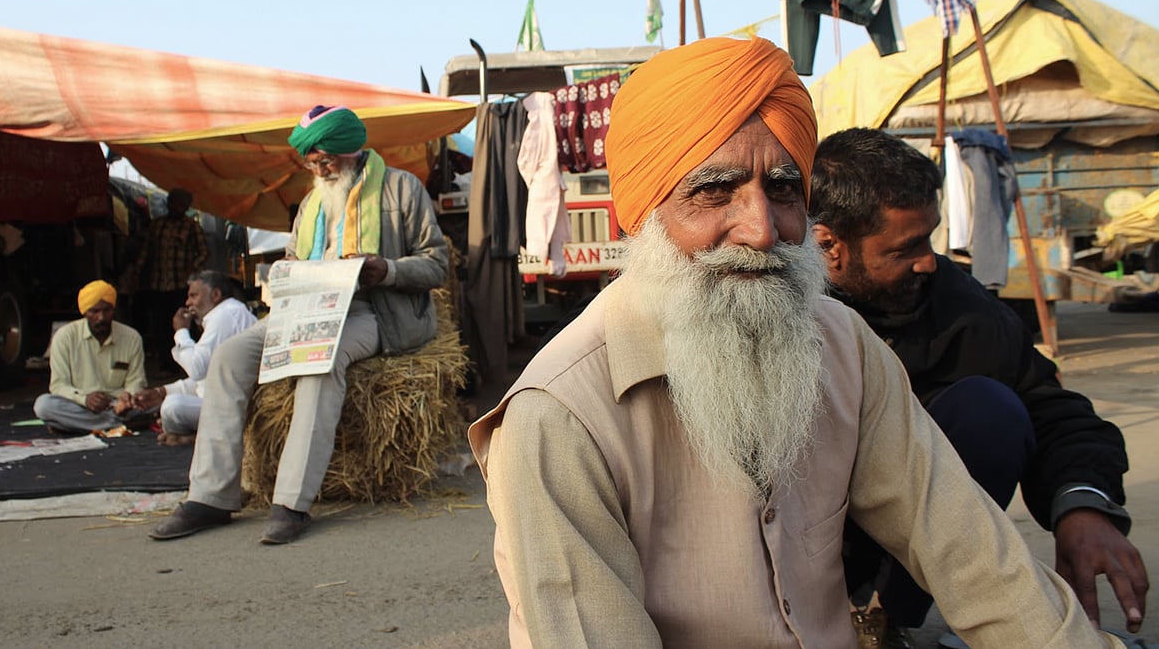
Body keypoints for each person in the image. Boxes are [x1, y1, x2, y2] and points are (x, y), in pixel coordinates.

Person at [467, 37, 1121, 647]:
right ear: (640, 214)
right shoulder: (558, 415)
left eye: (782, 188)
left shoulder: (843, 344)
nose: (760, 227)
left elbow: (972, 552)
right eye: (714, 191)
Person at [809, 127, 1148, 640]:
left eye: (931, 237)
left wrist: (1081, 502)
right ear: (829, 245)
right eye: (906, 247)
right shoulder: (787, 313)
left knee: (992, 411)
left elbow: (1051, 408)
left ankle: (881, 617)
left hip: (901, 539)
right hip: (808, 546)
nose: (928, 259)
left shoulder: (956, 303)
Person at [149, 105, 449, 545]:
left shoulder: (402, 189)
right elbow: (293, 258)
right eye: (311, 161)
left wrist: (384, 269)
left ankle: (291, 502)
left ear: (350, 152)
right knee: (229, 357)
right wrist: (287, 271)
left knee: (319, 363)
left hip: (370, 311)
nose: (317, 168)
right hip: (304, 309)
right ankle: (211, 497)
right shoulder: (311, 202)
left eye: (325, 160)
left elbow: (436, 264)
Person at [131, 270, 257, 446]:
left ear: (215, 295)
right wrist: (161, 392)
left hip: (238, 408)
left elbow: (197, 369)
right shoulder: (227, 313)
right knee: (169, 402)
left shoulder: (224, 316)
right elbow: (206, 381)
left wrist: (181, 331)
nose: (188, 303)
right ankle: (195, 436)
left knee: (172, 407)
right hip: (227, 402)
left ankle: (193, 439)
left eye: (193, 296)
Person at [34, 280, 150, 433]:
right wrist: (85, 399)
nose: (101, 317)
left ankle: (77, 425)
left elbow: (136, 381)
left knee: (162, 401)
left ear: (113, 310)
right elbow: (58, 385)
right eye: (94, 311)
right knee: (43, 405)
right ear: (84, 312)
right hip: (80, 404)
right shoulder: (65, 337)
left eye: (106, 310)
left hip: (118, 406)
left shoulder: (131, 337)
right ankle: (113, 424)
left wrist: (127, 399)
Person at [133, 187, 209, 362]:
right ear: (169, 204)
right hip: (158, 283)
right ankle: (165, 362)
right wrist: (137, 272)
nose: (178, 208)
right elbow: (146, 251)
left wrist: (191, 269)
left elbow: (204, 252)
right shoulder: (157, 225)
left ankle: (184, 362)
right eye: (175, 204)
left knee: (183, 323)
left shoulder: (191, 226)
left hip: (180, 285)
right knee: (161, 324)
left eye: (182, 205)